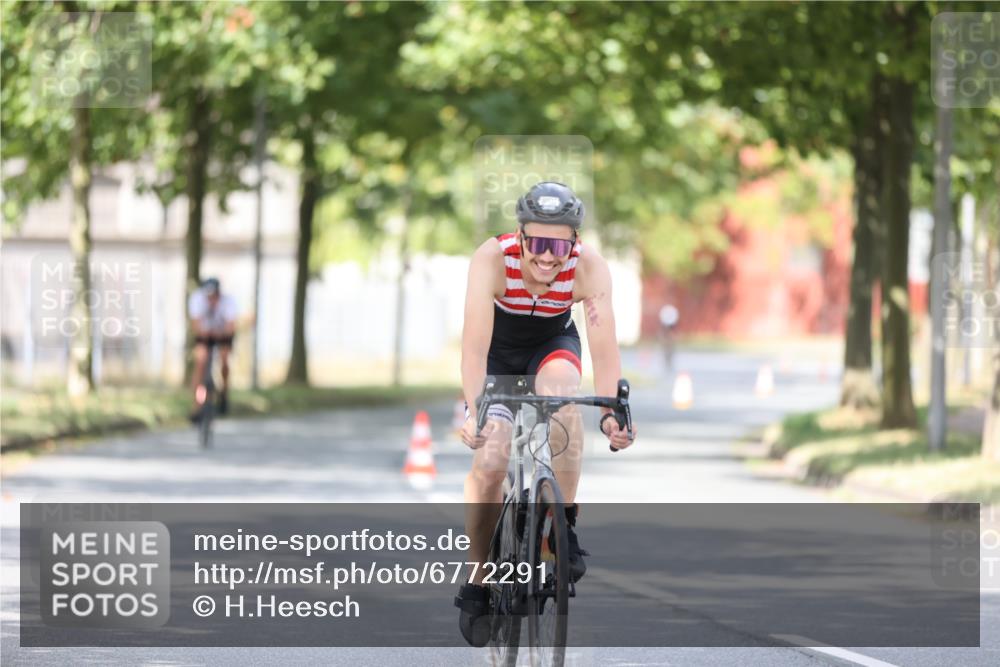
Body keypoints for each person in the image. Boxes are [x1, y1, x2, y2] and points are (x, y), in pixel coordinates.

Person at [455, 182, 636, 646]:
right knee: (491, 462)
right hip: (498, 355)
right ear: (520, 236)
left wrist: (613, 410)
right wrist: (474, 409)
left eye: (559, 244)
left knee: (562, 401)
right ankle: (479, 578)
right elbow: (474, 348)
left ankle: (562, 527)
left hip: (552, 346)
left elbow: (603, 345)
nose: (548, 257)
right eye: (537, 243)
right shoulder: (491, 259)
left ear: (574, 241)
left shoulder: (589, 267)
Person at [188, 277, 238, 419]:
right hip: (205, 336)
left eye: (214, 296)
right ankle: (197, 406)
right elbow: (196, 325)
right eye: (208, 296)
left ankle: (224, 393)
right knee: (200, 363)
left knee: (224, 359)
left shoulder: (228, 302)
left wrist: (221, 334)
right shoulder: (197, 299)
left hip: (222, 335)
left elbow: (231, 326)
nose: (211, 299)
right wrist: (205, 333)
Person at [659, 303, 679, 371]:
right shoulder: (666, 314)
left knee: (670, 349)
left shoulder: (671, 314)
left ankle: (669, 361)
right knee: (666, 349)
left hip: (669, 338)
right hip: (666, 337)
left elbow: (674, 331)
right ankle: (667, 360)